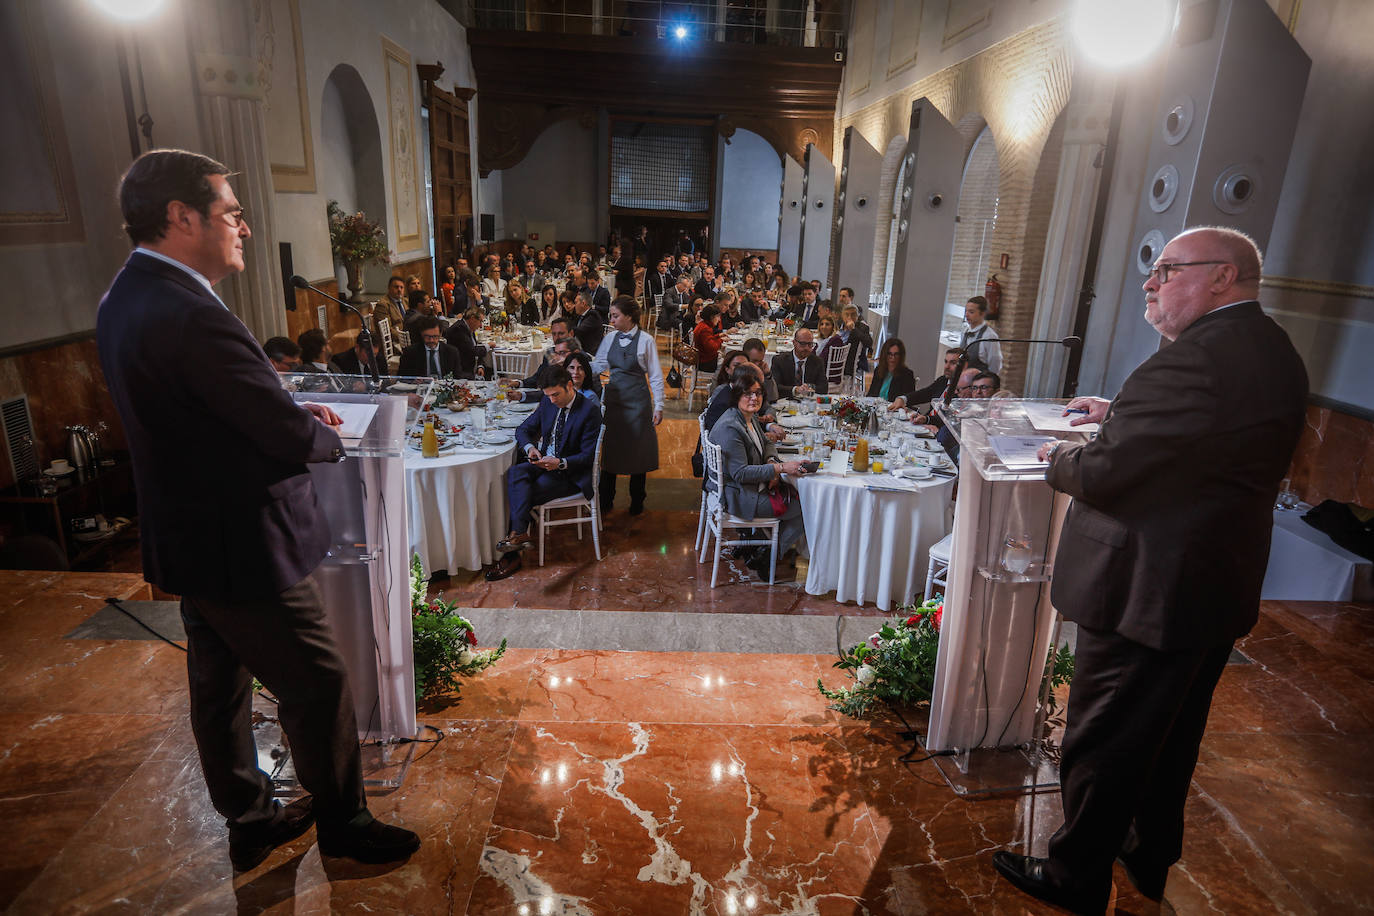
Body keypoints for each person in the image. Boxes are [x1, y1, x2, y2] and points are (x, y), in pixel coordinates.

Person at [96, 149, 419, 870]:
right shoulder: (187, 310)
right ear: (181, 217)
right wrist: (324, 435)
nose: (242, 226)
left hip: (191, 536)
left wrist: (279, 405)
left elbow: (203, 409)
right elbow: (273, 430)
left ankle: (248, 814)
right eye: (229, 212)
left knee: (218, 685)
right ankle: (343, 821)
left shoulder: (127, 295)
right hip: (244, 540)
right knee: (318, 681)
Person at [991, 227, 1308, 914]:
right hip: (1209, 586)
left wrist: (1055, 459)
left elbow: (1106, 472)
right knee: (1169, 736)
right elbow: (1201, 442)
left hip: (1146, 588)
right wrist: (1119, 413)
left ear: (1222, 277)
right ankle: (1147, 853)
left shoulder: (1191, 361)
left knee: (1105, 737)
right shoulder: (1270, 347)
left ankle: (1076, 876)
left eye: (1166, 270)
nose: (1150, 283)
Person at [486, 365, 604, 580]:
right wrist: (530, 448)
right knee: (514, 475)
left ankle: (512, 553)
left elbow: (587, 457)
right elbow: (522, 430)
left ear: (569, 385)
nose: (551, 400)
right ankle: (519, 535)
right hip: (543, 462)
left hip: (570, 474)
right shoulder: (547, 403)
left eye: (555, 394)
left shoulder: (589, 411)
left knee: (521, 493)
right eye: (548, 395)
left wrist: (560, 463)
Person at [707, 369, 810, 581]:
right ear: (737, 396)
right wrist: (780, 469)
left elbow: (767, 442)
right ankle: (769, 555)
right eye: (748, 393)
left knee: (797, 497)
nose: (754, 398)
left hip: (748, 488)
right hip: (738, 496)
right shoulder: (731, 427)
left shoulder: (747, 417)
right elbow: (741, 473)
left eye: (758, 393)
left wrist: (772, 461)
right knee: (806, 507)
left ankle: (761, 548)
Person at [592, 296, 664, 516]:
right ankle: (606, 499)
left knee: (638, 451)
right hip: (614, 401)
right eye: (611, 316)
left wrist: (659, 404)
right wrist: (576, 363)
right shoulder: (610, 338)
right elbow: (599, 364)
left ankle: (637, 500)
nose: (612, 320)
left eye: (615, 316)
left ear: (630, 317)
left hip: (638, 403)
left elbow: (655, 375)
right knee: (611, 451)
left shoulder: (646, 341)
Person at [889, 348, 962, 413]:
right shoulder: (943, 380)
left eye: (953, 363)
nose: (947, 366)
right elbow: (925, 393)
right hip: (926, 422)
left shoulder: (963, 391)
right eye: (946, 362)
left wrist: (927, 420)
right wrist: (903, 399)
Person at [770, 328, 828, 397]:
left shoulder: (817, 361)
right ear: (794, 343)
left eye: (810, 344)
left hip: (808, 402)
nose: (806, 348)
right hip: (786, 401)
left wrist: (809, 387)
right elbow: (775, 386)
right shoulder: (779, 360)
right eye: (802, 344)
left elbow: (824, 388)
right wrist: (795, 390)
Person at [959, 295, 1002, 374]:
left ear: (982, 314)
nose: (966, 315)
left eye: (971, 312)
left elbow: (994, 365)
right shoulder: (965, 331)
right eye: (966, 311)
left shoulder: (989, 336)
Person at [866, 337, 918, 402]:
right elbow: (871, 394)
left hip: (894, 410)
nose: (893, 358)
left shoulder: (907, 374)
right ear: (885, 354)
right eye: (889, 354)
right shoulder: (878, 370)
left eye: (896, 354)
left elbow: (909, 401)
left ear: (901, 356)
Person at [443, 307, 487, 378]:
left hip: (471, 369)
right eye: (480, 321)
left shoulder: (469, 328)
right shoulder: (458, 330)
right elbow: (472, 351)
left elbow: (475, 347)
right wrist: (487, 346)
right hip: (461, 373)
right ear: (472, 318)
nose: (480, 325)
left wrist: (480, 366)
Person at [570, 289, 605, 353]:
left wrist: (563, 329)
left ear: (583, 303)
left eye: (576, 303)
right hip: (579, 348)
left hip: (590, 353)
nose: (574, 306)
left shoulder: (593, 315)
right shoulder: (580, 315)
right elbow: (571, 325)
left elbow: (579, 330)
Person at [693, 304, 725, 372]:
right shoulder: (705, 329)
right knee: (728, 362)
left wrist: (718, 336)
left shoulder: (703, 324)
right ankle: (716, 381)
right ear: (712, 317)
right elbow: (712, 347)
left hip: (701, 359)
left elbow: (708, 340)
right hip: (705, 363)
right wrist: (721, 340)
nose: (719, 319)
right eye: (718, 316)